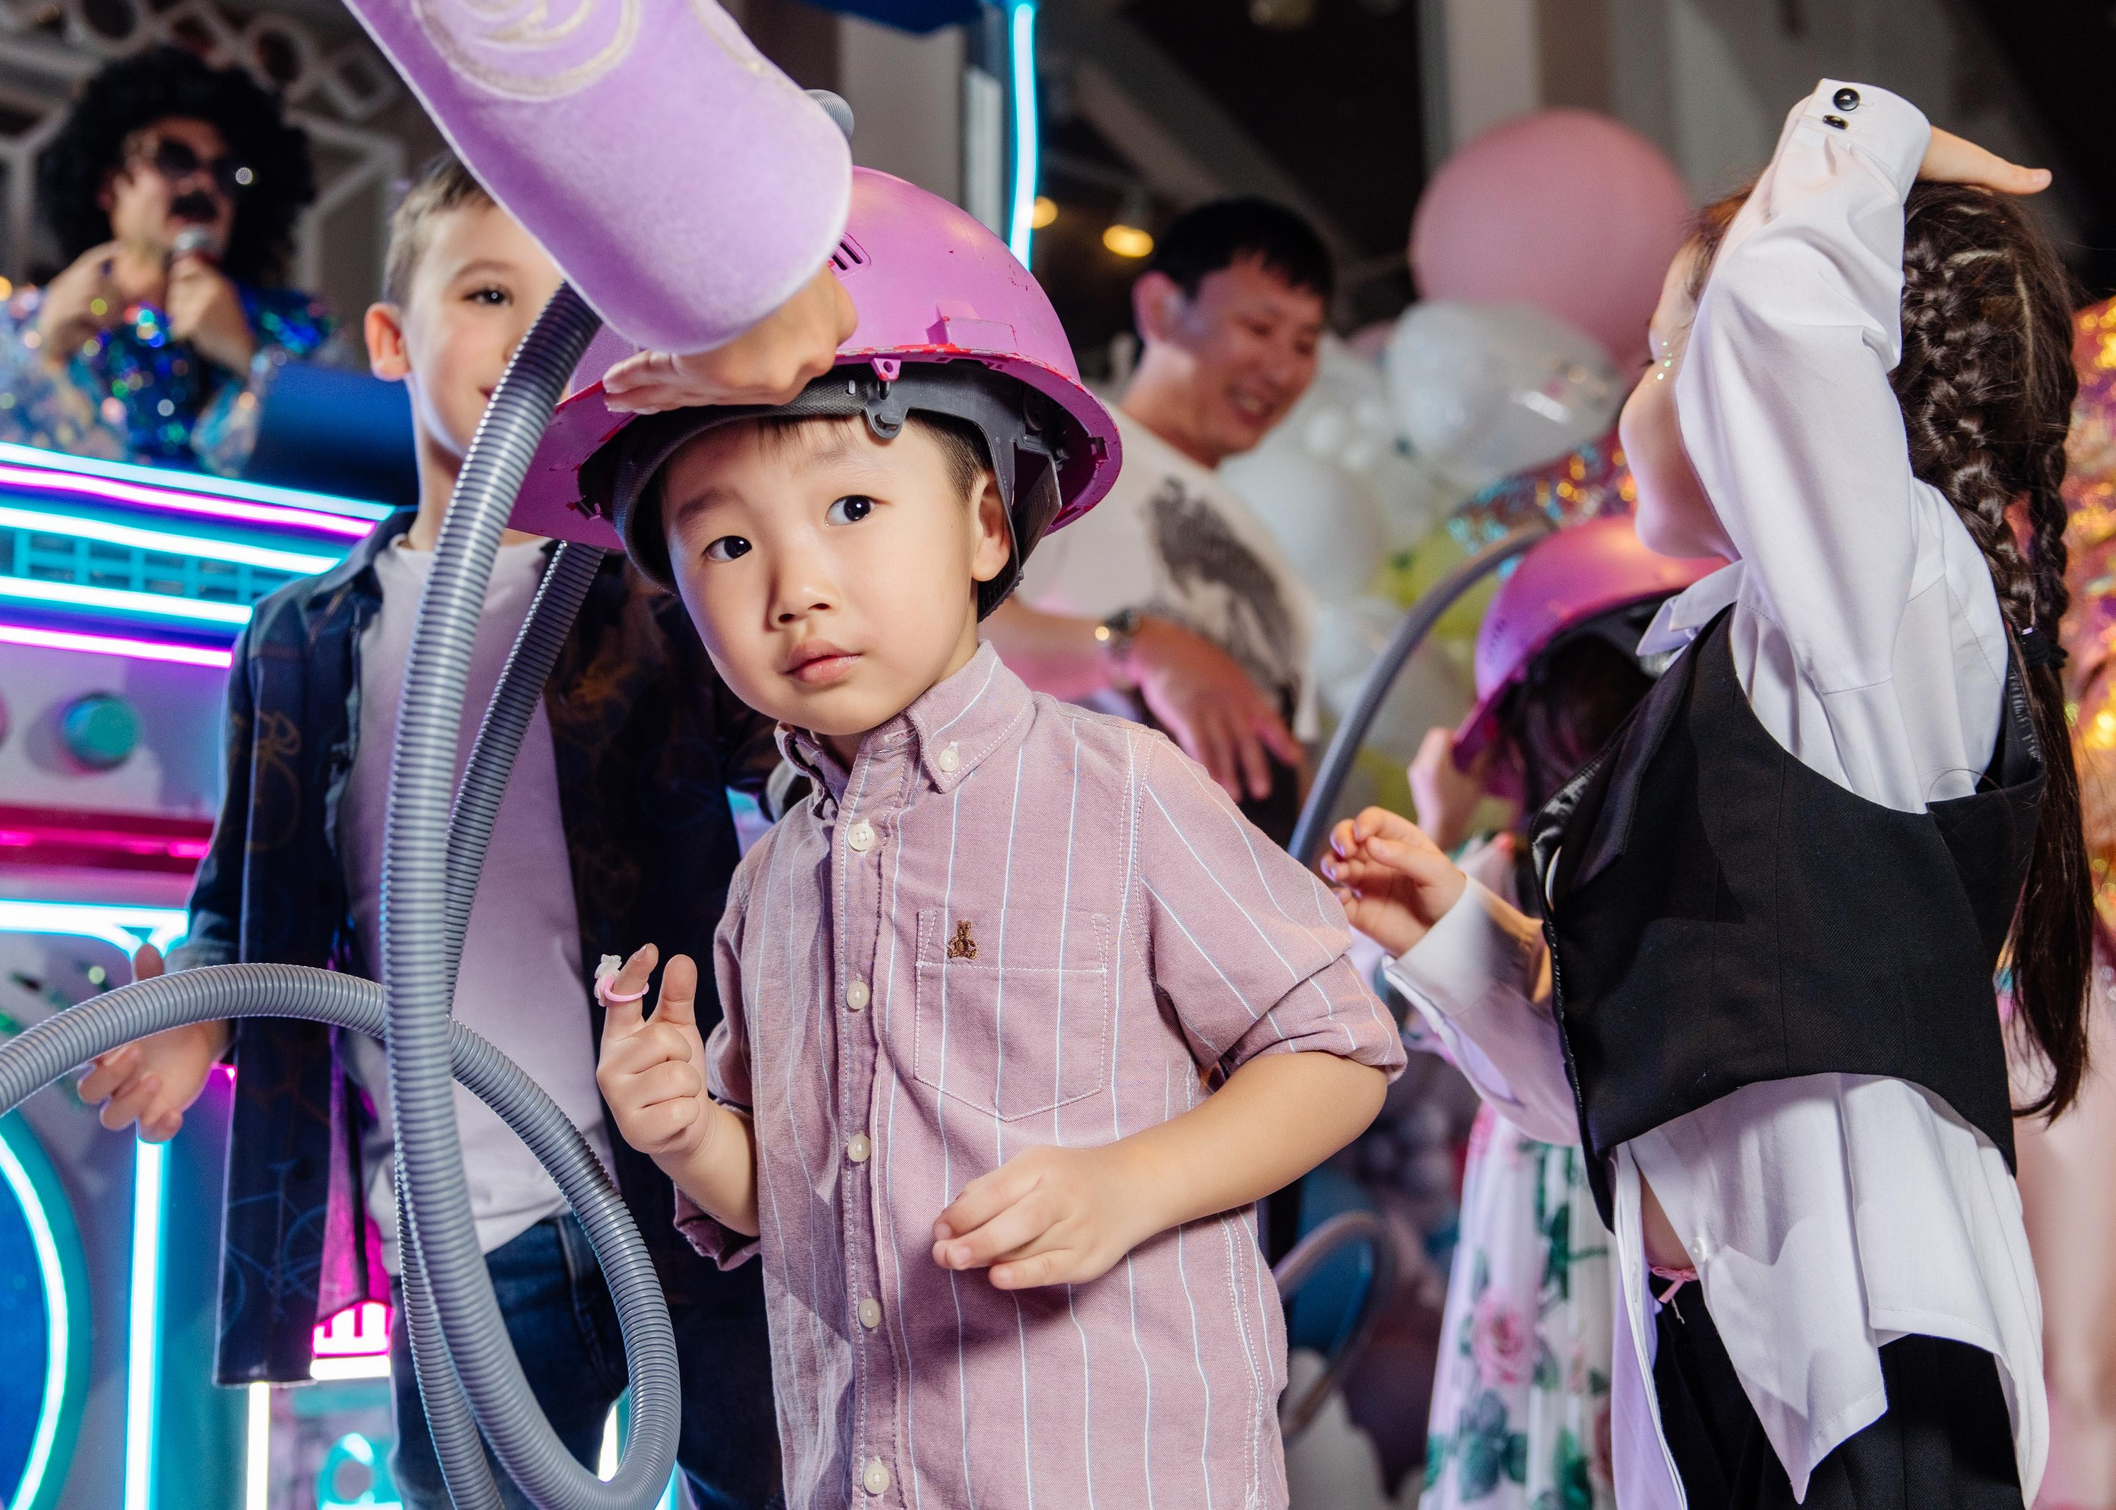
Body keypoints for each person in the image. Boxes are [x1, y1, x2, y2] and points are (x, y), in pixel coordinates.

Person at [560, 164, 1403, 1509]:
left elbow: (1339, 1046)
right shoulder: (768, 878)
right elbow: (798, 1196)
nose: (796, 587)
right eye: (722, 544)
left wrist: (1130, 1185)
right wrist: (685, 1137)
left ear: (988, 523)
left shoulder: (1122, 788)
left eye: (851, 508)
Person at [1323, 84, 2091, 1510]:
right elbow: (1628, 1087)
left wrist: (1862, 131)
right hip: (1713, 1351)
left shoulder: (1891, 609)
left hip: (1868, 1339)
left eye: (1684, 349)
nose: (1646, 390)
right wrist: (1455, 940)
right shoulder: (1717, 681)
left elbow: (1789, 329)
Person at [74, 154, 785, 1509]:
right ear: (393, 340)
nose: (534, 339)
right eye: (488, 291)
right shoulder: (301, 635)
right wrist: (201, 1001)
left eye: (573, 313)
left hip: (694, 1182)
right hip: (467, 1216)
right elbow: (250, 888)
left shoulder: (666, 597)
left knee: (771, 1478)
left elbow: (814, 761)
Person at [1400, 517, 1719, 1510]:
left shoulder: (1495, 871)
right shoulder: (1721, 869)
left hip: (1561, 1208)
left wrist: (1431, 818)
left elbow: (1361, 994)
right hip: (1676, 1204)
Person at [987, 197, 1329, 842]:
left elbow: (1290, 765)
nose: (1283, 369)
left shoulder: (1275, 560)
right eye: (1259, 328)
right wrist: (1136, 647)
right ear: (1160, 309)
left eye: (1306, 344)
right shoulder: (1063, 445)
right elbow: (947, 641)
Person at [0, 45, 331, 474]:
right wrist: (42, 346)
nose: (203, 183)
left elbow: (338, 477)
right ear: (109, 186)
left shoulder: (301, 336)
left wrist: (248, 357)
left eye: (227, 172)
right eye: (174, 158)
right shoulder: (13, 325)